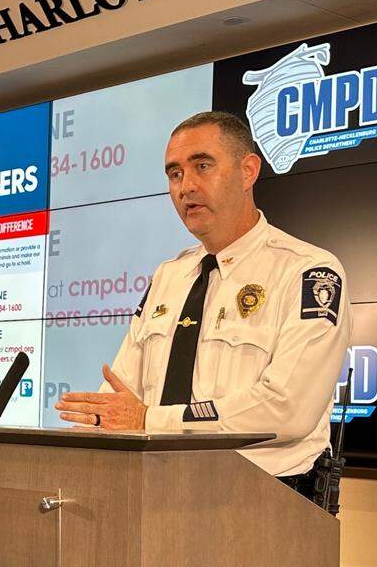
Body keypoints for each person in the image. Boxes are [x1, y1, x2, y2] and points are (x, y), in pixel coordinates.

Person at [54, 111, 352, 502]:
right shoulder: (169, 276)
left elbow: (287, 410)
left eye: (202, 166)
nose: (185, 186)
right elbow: (121, 393)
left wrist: (149, 420)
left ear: (248, 171)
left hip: (266, 501)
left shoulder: (307, 271)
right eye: (174, 174)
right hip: (159, 494)